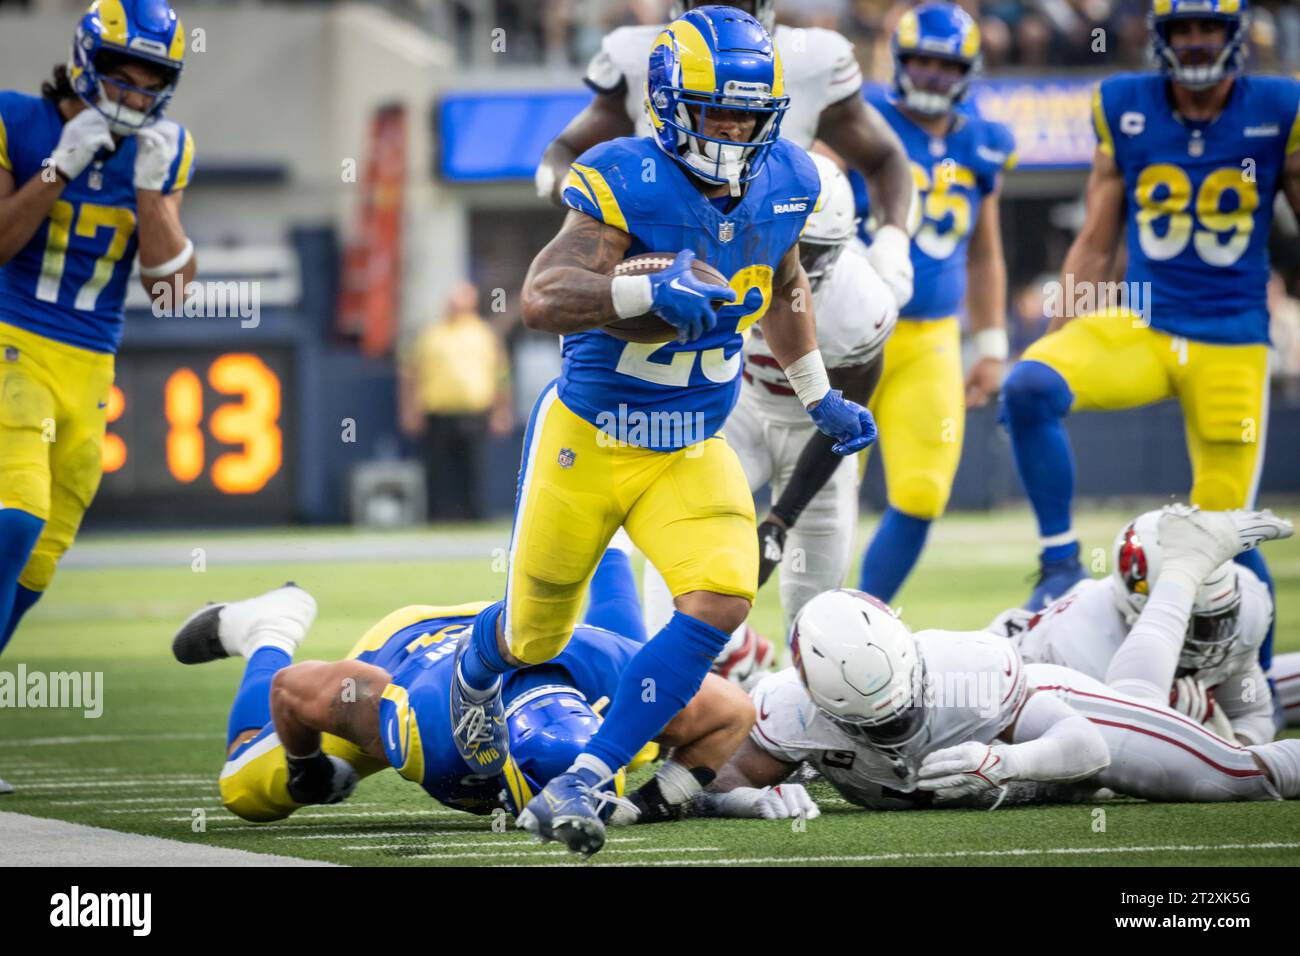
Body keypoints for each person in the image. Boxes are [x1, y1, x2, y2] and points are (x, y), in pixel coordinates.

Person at [454, 7, 876, 858]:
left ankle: (588, 776)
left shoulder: (789, 178)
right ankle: (473, 674)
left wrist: (815, 390)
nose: (732, 129)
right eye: (715, 110)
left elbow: (786, 282)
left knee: (722, 594)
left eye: (747, 115)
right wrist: (636, 295)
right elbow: (541, 298)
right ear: (669, 104)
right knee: (535, 633)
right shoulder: (622, 176)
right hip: (589, 439)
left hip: (690, 444)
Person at [999, 0, 1300, 653]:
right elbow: (1097, 244)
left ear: (1234, 35)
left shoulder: (1279, 106)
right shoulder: (1126, 105)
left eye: (1208, 29)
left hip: (1232, 337)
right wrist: (1057, 333)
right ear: (1160, 36)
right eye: (1182, 30)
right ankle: (1059, 565)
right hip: (1146, 320)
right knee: (1029, 386)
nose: (1194, 43)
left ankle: (1258, 695)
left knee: (1219, 545)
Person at [711, 509, 1300, 815]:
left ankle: (1187, 566)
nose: (898, 734)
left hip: (1059, 714)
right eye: (879, 725)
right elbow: (716, 782)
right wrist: (746, 800)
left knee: (1244, 779)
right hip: (1059, 763)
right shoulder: (791, 710)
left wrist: (1006, 760)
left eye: (903, 711)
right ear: (822, 705)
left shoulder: (968, 675)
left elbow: (1089, 747)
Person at [175, 543, 761, 827]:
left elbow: (731, 711)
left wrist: (650, 805)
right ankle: (271, 622)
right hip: (414, 648)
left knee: (648, 717)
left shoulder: (611, 699)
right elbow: (290, 690)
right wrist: (308, 770)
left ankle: (611, 543)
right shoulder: (419, 724)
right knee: (250, 792)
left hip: (555, 649)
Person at [0, 0, 197, 795]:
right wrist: (57, 168)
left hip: (91, 364)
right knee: (14, 516)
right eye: (122, 71)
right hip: (11, 337)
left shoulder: (168, 147)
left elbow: (175, 291)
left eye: (153, 79)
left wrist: (150, 193)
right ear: (86, 59)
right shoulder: (17, 118)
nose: (137, 90)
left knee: (39, 563)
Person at [852, 2, 1017, 605]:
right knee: (826, 495)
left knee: (923, 493)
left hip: (932, 338)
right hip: (848, 334)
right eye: (919, 61)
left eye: (945, 65)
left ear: (969, 70)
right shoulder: (861, 119)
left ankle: (863, 616)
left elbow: (983, 253)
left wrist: (993, 345)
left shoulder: (984, 141)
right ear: (898, 61)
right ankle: (796, 628)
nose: (929, 76)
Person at [987, 505, 1290, 746]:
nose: (1212, 637)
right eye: (1190, 621)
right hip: (995, 689)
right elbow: (1105, 764)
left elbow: (1253, 714)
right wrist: (1185, 734)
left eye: (1218, 620)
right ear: (1139, 606)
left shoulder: (1247, 604)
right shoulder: (1082, 645)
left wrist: (1237, 743)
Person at [400, 280, 511, 521]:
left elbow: (501, 375)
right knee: (439, 470)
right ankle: (439, 517)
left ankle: (473, 516)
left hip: (474, 411)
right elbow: (411, 375)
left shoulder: (484, 334)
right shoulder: (431, 334)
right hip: (438, 412)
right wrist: (410, 409)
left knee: (473, 468)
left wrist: (501, 411)